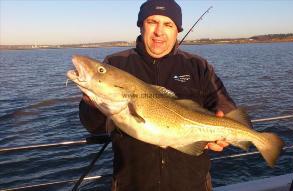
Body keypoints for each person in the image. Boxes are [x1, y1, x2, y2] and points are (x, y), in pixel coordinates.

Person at [79, 0, 237, 190]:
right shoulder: (116, 64)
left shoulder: (198, 66)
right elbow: (94, 127)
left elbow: (225, 107)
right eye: (152, 22)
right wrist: (92, 103)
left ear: (177, 30)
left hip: (192, 183)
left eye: (168, 24)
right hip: (132, 183)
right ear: (141, 26)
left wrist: (222, 131)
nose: (159, 32)